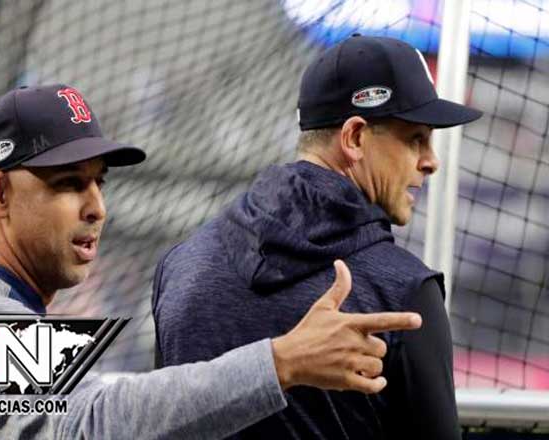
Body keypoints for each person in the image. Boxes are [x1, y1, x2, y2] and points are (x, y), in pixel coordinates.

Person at [0, 83, 423, 439]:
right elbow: (89, 424)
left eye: (99, 182)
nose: (96, 207)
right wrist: (281, 361)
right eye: (68, 184)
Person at [153, 35, 483, 440]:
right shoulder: (404, 293)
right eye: (416, 139)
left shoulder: (179, 265)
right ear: (355, 137)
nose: (431, 161)